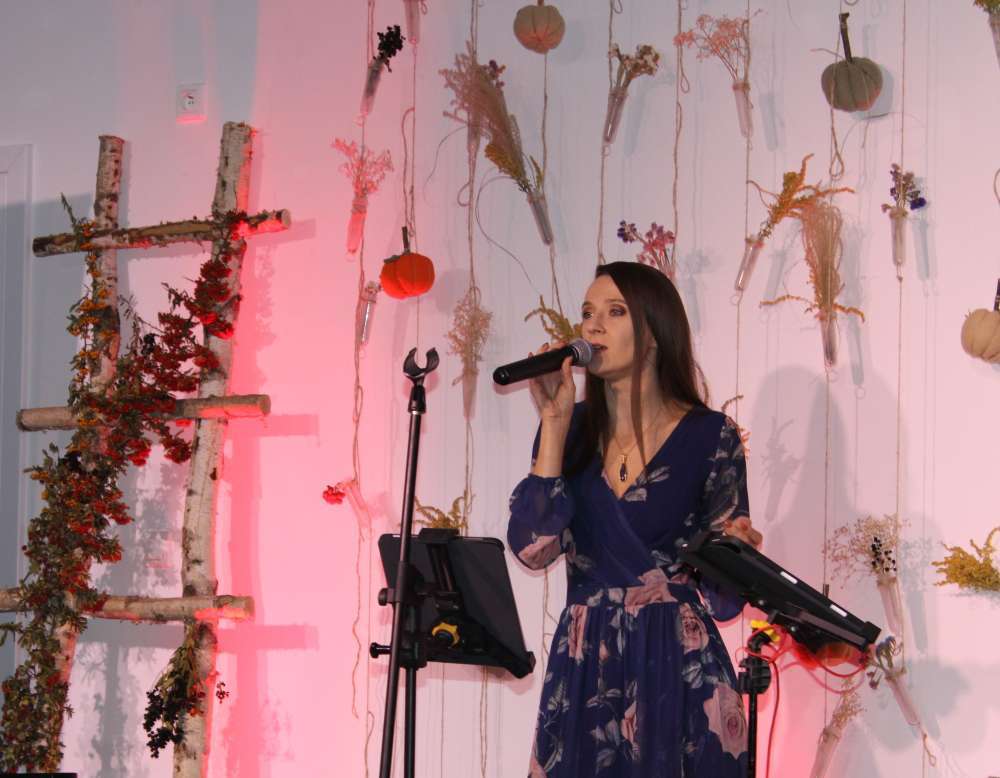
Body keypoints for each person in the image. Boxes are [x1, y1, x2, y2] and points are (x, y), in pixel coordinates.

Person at [507, 262, 762, 778]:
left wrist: (740, 557)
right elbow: (533, 548)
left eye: (615, 312)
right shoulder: (570, 429)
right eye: (587, 313)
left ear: (654, 332)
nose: (593, 325)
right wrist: (553, 423)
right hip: (587, 666)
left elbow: (725, 602)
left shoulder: (711, 436)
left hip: (678, 665)